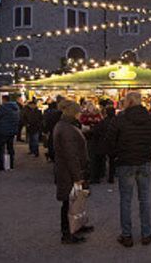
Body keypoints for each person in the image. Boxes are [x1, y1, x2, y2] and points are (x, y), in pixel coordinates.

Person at [106, 92, 151, 247]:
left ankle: (127, 235)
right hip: (144, 161)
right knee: (144, 199)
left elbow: (110, 140)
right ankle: (146, 233)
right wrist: (149, 149)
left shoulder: (119, 119)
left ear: (128, 102)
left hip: (125, 162)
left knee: (126, 200)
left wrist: (117, 153)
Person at [53, 101, 92, 244]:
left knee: (76, 201)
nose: (81, 114)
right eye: (79, 111)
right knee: (69, 203)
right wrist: (78, 176)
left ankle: (76, 226)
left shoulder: (65, 125)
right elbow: (71, 155)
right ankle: (68, 233)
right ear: (74, 112)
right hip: (68, 172)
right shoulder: (67, 129)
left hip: (68, 170)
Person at [0, 96, 21, 170]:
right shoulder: (16, 108)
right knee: (10, 148)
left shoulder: (4, 107)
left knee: (0, 148)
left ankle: (1, 165)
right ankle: (10, 164)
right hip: (12, 131)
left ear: (4, 100)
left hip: (2, 131)